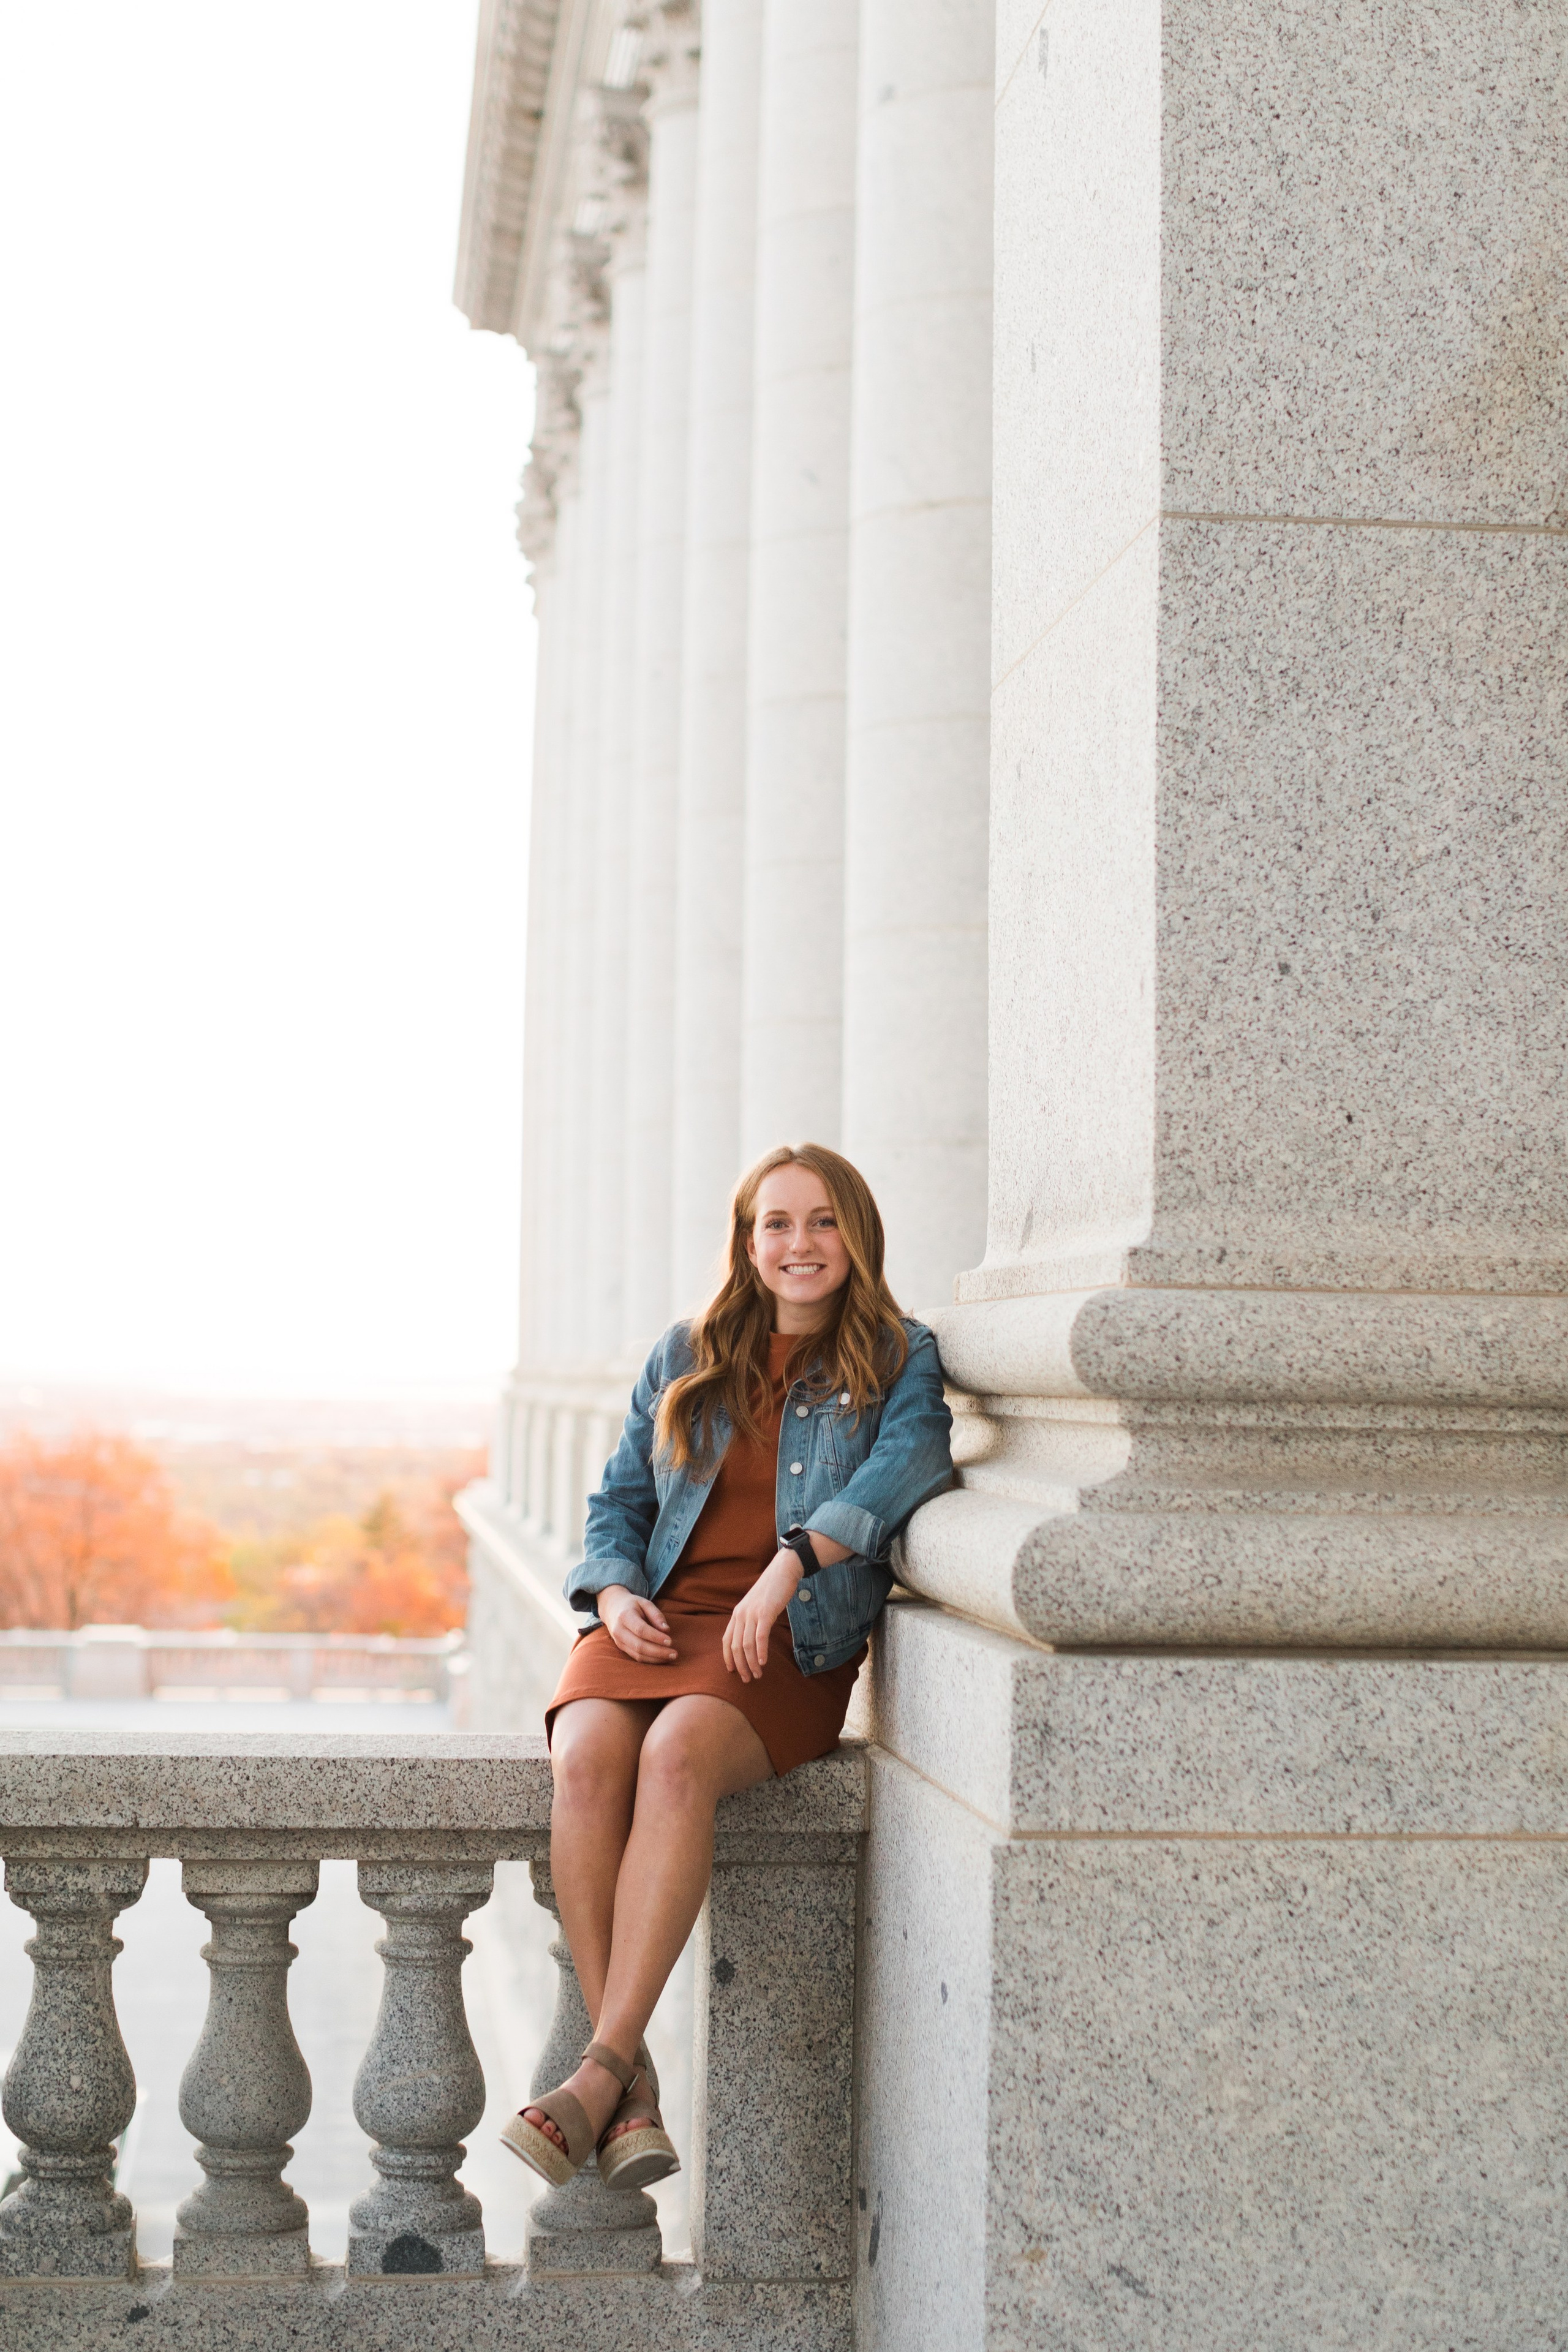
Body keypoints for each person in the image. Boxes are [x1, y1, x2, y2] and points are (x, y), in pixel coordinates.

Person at [500, 1142, 953, 2190]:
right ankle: (632, 2085)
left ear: (858, 1236)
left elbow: (911, 1464)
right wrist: (613, 1593)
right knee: (584, 1763)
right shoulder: (685, 1353)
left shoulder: (898, 1353)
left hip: (782, 1640)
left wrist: (790, 1567)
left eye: (823, 1221)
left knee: (676, 1761)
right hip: (654, 1621)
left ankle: (599, 2066)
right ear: (748, 1246)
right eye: (777, 1224)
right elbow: (617, 1501)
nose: (801, 1245)